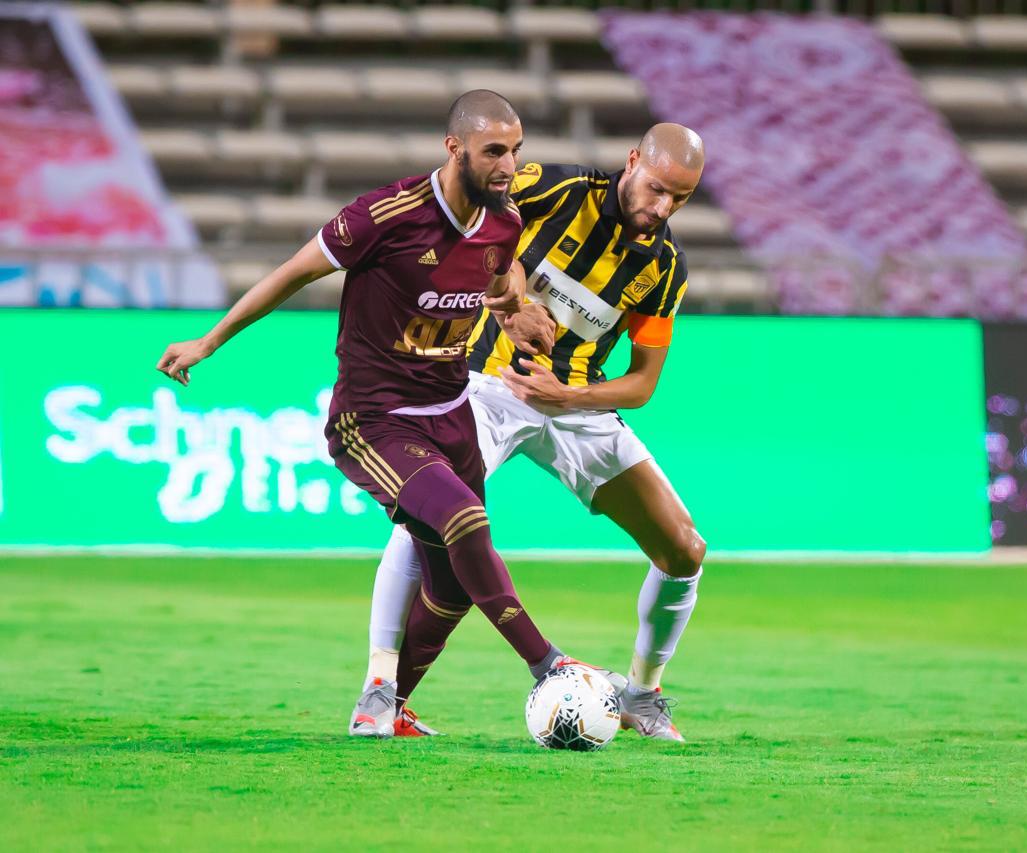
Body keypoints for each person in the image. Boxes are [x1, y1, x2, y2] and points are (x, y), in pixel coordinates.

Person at [156, 90, 574, 739]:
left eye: (516, 151)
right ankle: (548, 663)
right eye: (495, 151)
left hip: (452, 410)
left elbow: (498, 280)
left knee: (452, 587)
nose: (508, 165)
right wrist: (209, 341)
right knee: (464, 519)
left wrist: (513, 313)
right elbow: (291, 274)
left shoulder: (504, 220)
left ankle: (384, 703)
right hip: (375, 419)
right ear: (454, 148)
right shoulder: (385, 215)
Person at [369, 123, 707, 741]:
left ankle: (641, 694)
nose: (662, 208)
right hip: (487, 384)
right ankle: (382, 691)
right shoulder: (558, 190)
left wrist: (570, 396)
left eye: (679, 199)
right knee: (427, 517)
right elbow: (487, 238)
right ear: (633, 160)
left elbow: (641, 383)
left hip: (575, 403)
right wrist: (516, 302)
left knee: (684, 549)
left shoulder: (664, 268)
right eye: (657, 189)